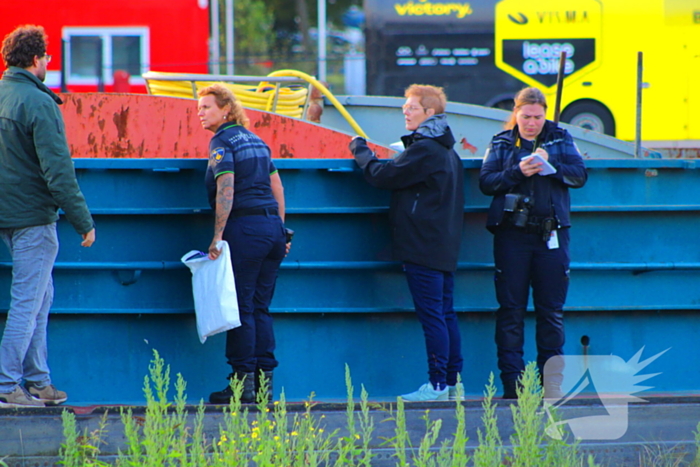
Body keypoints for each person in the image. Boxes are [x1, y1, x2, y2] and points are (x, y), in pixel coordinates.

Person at [349, 84, 464, 402]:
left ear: (430, 113)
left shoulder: (425, 149)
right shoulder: (447, 150)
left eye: (412, 108)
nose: (405, 112)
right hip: (443, 244)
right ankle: (452, 383)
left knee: (433, 316)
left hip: (422, 245)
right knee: (445, 313)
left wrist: (361, 152)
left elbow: (382, 177)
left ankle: (437, 385)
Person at [0, 25, 96, 408]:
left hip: (7, 214)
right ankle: (7, 384)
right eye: (48, 58)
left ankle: (38, 380)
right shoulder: (38, 104)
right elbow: (59, 172)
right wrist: (83, 221)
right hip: (33, 219)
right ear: (37, 60)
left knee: (41, 296)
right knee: (28, 300)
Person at [478, 87, 587, 399]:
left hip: (551, 234)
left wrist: (552, 167)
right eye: (525, 116)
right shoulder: (501, 142)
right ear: (516, 113)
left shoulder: (560, 138)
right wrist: (518, 170)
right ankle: (512, 385)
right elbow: (486, 182)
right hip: (512, 236)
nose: (531, 123)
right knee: (510, 310)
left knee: (551, 311)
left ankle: (551, 385)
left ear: (545, 115)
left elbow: (580, 175)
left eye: (538, 117)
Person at [196, 83, 288, 404]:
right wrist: (281, 228)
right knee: (261, 308)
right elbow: (277, 185)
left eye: (206, 107)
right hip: (272, 230)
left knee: (241, 308)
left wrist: (218, 234)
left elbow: (227, 185)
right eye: (199, 108)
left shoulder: (221, 141)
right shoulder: (258, 140)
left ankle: (241, 386)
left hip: (245, 230)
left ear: (226, 110)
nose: (200, 113)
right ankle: (265, 386)